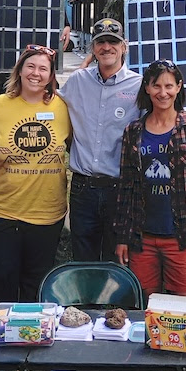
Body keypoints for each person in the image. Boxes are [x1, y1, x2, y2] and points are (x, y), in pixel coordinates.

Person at [0, 45, 72, 303]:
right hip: (0, 211)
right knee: (1, 280)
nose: (35, 73)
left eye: (43, 68)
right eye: (30, 66)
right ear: (19, 71)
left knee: (35, 284)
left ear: (51, 75)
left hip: (46, 213)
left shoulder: (64, 107)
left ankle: (31, 338)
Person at [115, 60, 186, 297]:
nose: (163, 92)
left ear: (179, 87)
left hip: (182, 236)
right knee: (145, 308)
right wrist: (123, 237)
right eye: (156, 86)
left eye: (169, 86)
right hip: (143, 238)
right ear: (147, 88)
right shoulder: (133, 131)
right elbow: (126, 187)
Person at [59, 18, 141, 261]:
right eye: (101, 42)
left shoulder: (138, 86)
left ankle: (114, 301)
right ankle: (87, 301)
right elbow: (49, 106)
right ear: (93, 48)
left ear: (124, 46)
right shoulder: (77, 81)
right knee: (83, 258)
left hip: (120, 187)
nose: (107, 47)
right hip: (83, 188)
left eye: (113, 42)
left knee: (117, 260)